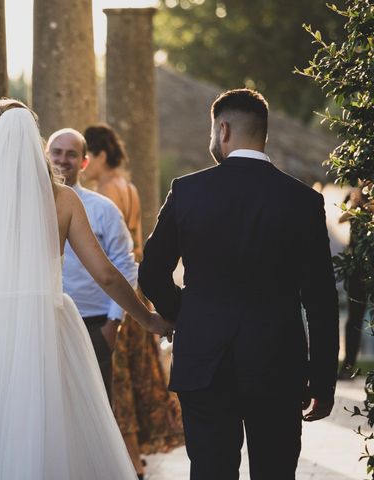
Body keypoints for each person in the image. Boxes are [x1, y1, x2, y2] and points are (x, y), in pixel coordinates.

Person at [0, 99, 172, 479]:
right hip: (52, 325)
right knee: (57, 428)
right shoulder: (64, 199)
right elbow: (108, 274)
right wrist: (147, 318)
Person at [139, 88, 339, 480]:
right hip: (278, 363)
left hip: (204, 362)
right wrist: (324, 380)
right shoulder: (302, 200)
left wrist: (186, 313)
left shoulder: (187, 191)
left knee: (212, 472)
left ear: (223, 129)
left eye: (211, 132)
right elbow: (321, 299)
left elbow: (151, 274)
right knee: (275, 471)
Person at [84, 124, 184, 479]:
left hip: (117, 294)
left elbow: (113, 253)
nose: (82, 165)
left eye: (86, 156)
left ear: (98, 156)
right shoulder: (130, 188)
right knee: (128, 382)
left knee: (118, 386)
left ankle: (128, 466)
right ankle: (133, 463)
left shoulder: (107, 191)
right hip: (135, 287)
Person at [46, 127, 137, 400]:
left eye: (71, 154)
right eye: (56, 152)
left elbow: (125, 264)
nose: (63, 160)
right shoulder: (31, 206)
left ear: (84, 162)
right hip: (43, 321)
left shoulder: (104, 209)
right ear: (45, 156)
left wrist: (113, 322)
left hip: (94, 325)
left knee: (94, 406)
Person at [338, 183, 372, 378]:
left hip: (369, 261)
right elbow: (341, 219)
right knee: (354, 317)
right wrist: (355, 206)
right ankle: (349, 365)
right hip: (356, 265)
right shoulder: (352, 194)